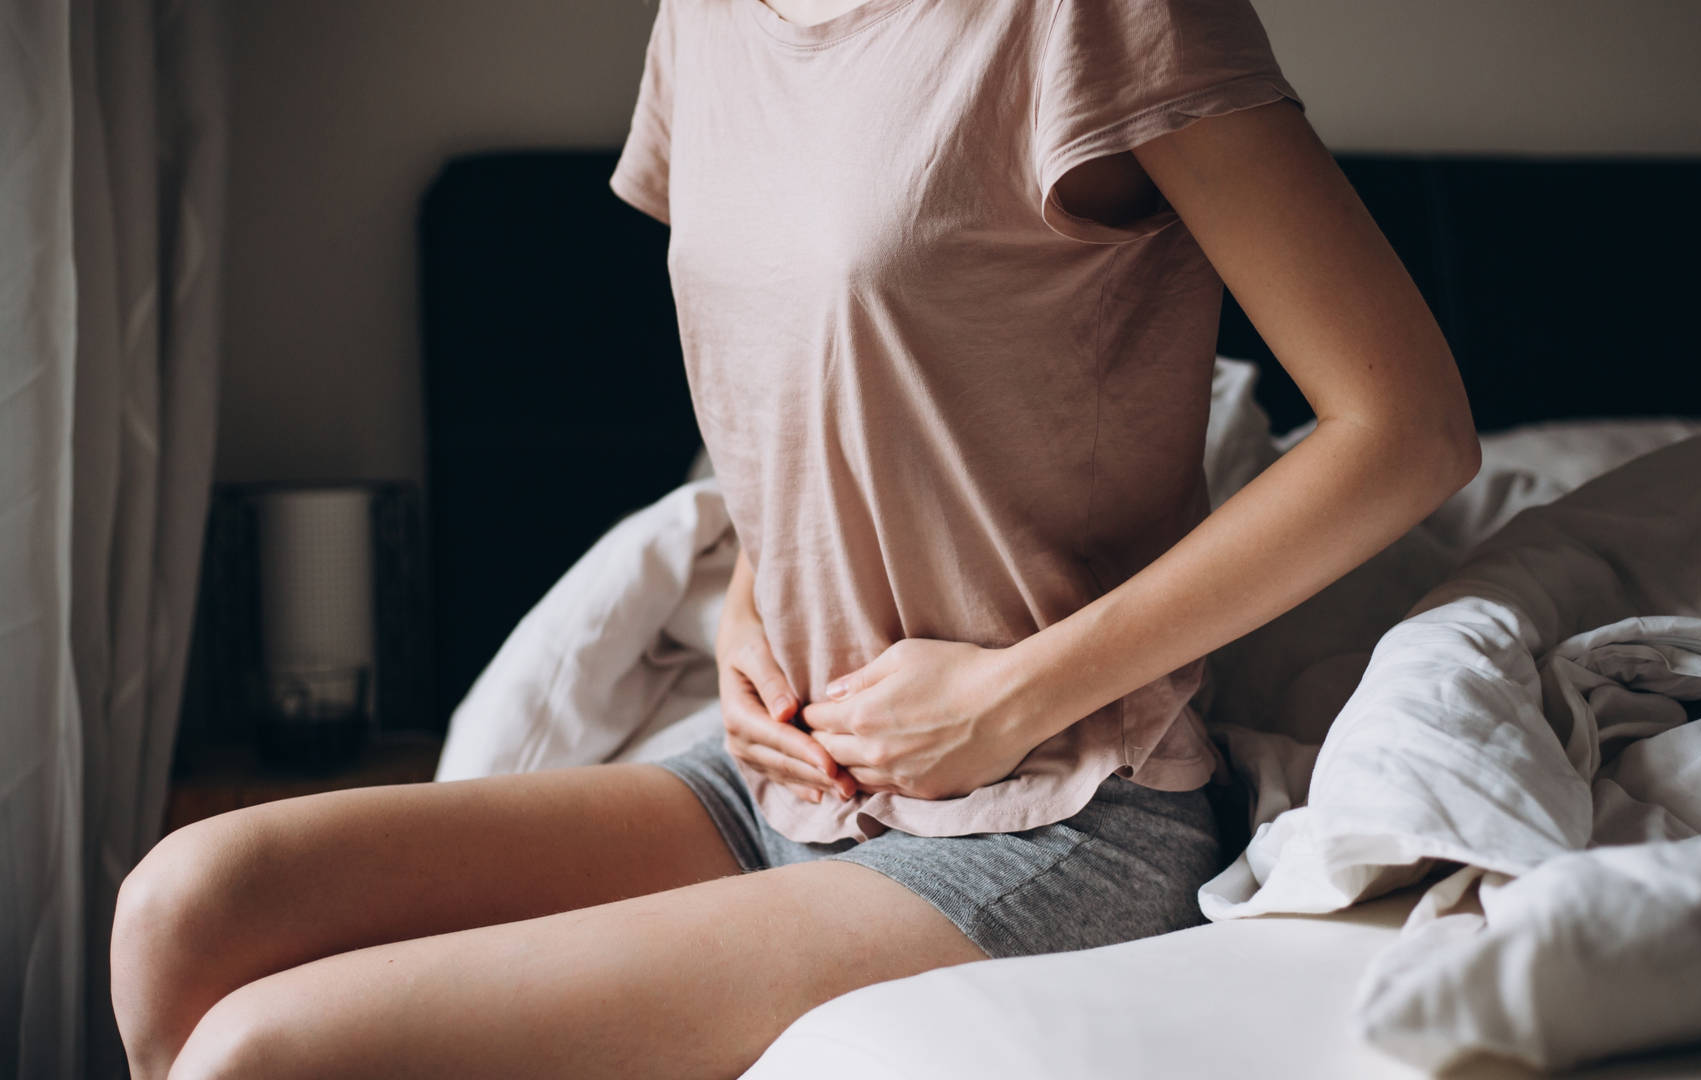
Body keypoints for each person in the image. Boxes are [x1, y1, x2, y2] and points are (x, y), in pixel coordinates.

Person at [111, 0, 1478, 1076]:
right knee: (182, 909)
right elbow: (800, 379)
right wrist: (755, 599)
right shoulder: (704, 21)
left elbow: (1407, 429)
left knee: (258, 1057)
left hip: (1053, 804)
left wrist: (1017, 691)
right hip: (783, 773)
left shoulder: (1092, 14)